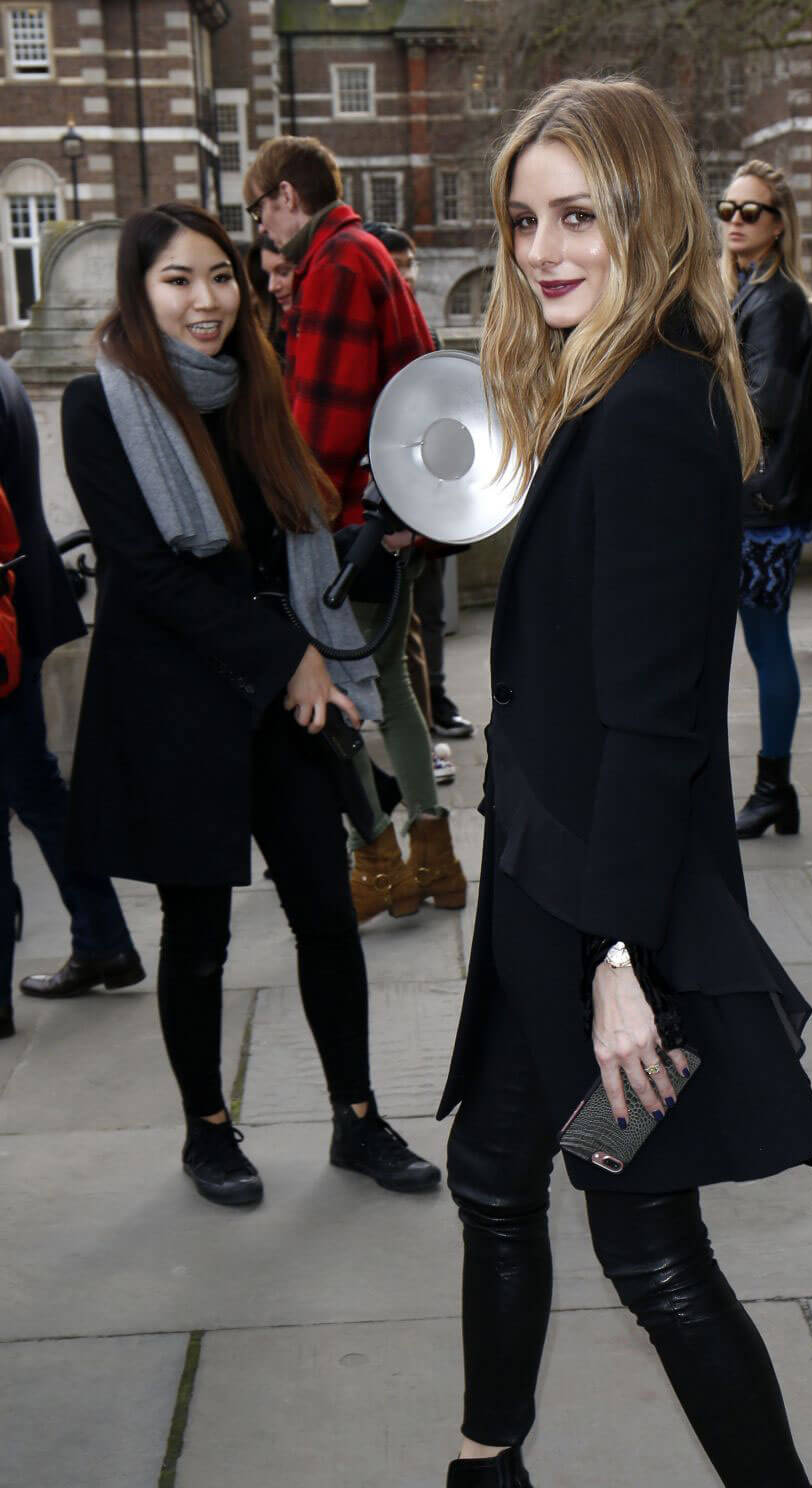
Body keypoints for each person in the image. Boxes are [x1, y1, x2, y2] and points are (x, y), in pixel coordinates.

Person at [367, 77, 812, 1488]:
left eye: (576, 214)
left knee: (648, 1240)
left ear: (650, 216)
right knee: (491, 1180)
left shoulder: (662, 406)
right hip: (543, 867)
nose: (540, 248)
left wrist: (617, 964)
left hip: (597, 897)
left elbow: (666, 722)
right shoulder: (606, 390)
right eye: (524, 218)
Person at [61, 202, 441, 1205]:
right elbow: (148, 575)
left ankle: (357, 1119)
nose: (207, 300)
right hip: (179, 704)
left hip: (283, 703)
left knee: (326, 911)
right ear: (140, 293)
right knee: (199, 936)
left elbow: (291, 529)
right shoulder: (100, 404)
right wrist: (292, 661)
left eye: (221, 277)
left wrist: (365, 549)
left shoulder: (252, 382)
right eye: (179, 281)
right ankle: (208, 1130)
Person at [242, 138, 465, 925]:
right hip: (390, 512)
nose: (262, 228)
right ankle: (434, 860)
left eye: (258, 208)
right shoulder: (365, 250)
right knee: (396, 690)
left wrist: (277, 513)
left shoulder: (334, 263)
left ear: (285, 197)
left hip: (348, 525)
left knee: (330, 695)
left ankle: (378, 864)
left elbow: (321, 427)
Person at [0, 357, 143, 1036]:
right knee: (35, 791)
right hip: (18, 610)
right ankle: (101, 937)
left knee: (32, 793)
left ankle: (97, 939)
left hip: (5, 619)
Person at [718, 160, 812, 840]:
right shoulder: (746, 292)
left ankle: (773, 787)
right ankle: (771, 792)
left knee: (766, 643)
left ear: (780, 225)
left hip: (763, 508)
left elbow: (765, 406)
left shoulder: (778, 299)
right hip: (750, 501)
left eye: (751, 211)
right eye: (728, 208)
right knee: (759, 642)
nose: (734, 220)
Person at [362, 219, 476, 748]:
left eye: (411, 266)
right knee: (400, 626)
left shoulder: (417, 326)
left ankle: (436, 698)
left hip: (428, 495)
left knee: (428, 613)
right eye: (396, 266)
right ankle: (418, 719)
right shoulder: (373, 327)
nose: (406, 276)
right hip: (383, 501)